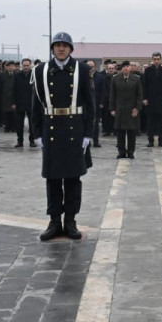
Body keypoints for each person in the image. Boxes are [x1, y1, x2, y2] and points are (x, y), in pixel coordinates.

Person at [31, 32, 94, 241]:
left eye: (64, 46)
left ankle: (71, 221)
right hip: (51, 130)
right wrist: (37, 133)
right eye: (57, 45)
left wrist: (88, 134)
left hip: (74, 130)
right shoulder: (40, 70)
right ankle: (54, 221)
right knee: (53, 179)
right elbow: (35, 106)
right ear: (52, 48)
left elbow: (90, 105)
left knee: (73, 179)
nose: (60, 49)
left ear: (70, 49)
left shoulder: (82, 70)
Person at [109, 60, 142, 159]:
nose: (126, 68)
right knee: (120, 133)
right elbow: (112, 95)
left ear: (130, 68)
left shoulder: (136, 79)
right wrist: (112, 109)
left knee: (132, 133)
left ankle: (131, 152)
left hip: (132, 110)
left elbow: (140, 95)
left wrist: (137, 108)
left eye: (128, 66)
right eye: (124, 66)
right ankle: (121, 152)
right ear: (121, 68)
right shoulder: (115, 79)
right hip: (120, 109)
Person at [141, 52, 162, 147]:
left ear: (160, 60)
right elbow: (145, 86)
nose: (156, 61)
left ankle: (161, 140)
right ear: (152, 60)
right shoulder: (148, 70)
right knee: (150, 122)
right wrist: (144, 98)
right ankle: (150, 140)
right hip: (151, 100)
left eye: (158, 59)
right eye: (155, 59)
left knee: (161, 122)